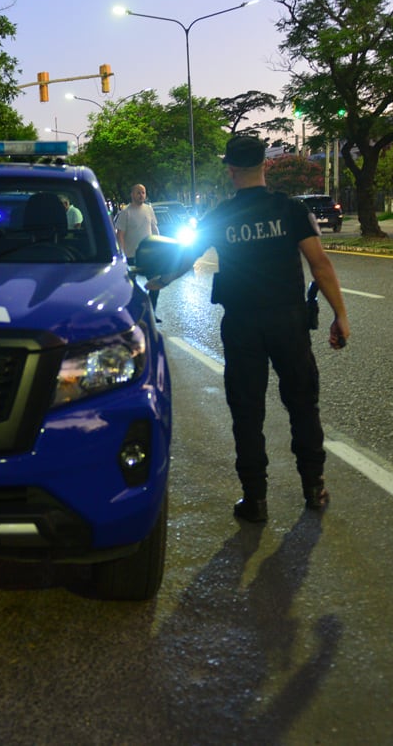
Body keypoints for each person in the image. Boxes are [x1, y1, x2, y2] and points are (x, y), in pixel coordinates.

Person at [148, 136, 349, 523]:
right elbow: (319, 263)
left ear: (230, 170)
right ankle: (314, 488)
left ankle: (254, 499)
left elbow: (182, 258)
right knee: (303, 405)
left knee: (246, 411)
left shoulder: (220, 216)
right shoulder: (289, 210)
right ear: (264, 165)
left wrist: (156, 282)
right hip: (288, 322)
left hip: (242, 325)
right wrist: (340, 313)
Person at [115, 184, 162, 318]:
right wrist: (122, 255)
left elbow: (154, 229)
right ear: (132, 194)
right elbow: (120, 235)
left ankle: (151, 313)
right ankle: (133, 314)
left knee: (156, 282)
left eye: (143, 192)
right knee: (131, 287)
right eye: (138, 192)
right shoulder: (125, 212)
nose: (141, 195)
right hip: (131, 256)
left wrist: (159, 246)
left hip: (149, 255)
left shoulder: (149, 209)